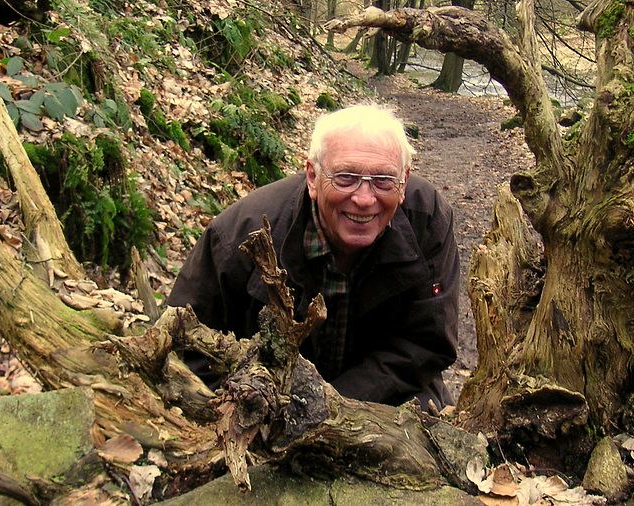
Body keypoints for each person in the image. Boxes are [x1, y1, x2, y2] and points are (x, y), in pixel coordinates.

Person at [167, 103, 459, 409]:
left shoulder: (426, 219)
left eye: (384, 180)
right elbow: (185, 343)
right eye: (346, 177)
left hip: (391, 397)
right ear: (312, 176)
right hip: (268, 403)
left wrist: (328, 408)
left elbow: (428, 341)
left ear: (404, 182)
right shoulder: (241, 234)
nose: (363, 199)